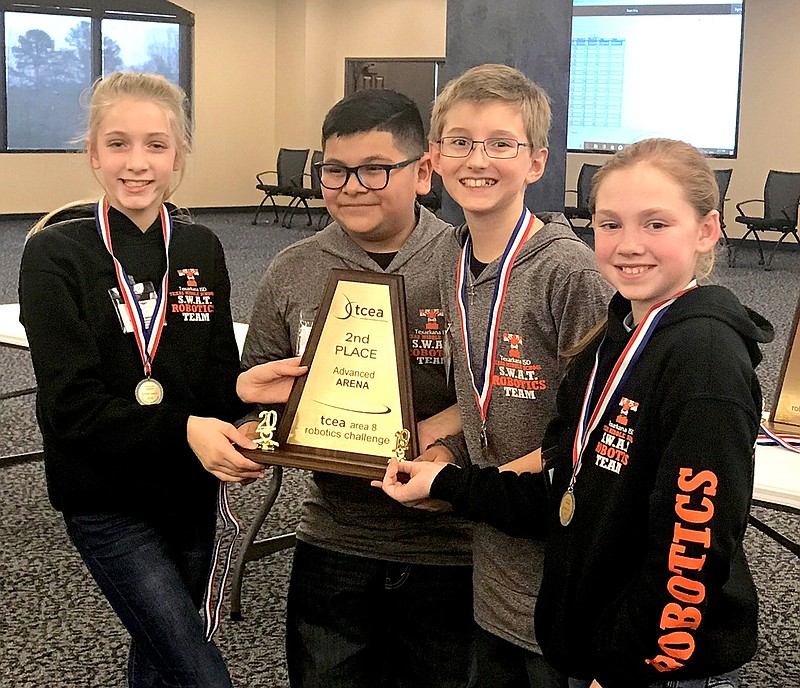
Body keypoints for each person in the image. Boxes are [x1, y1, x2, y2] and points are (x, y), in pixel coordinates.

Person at [376, 138, 773, 688]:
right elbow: (564, 489)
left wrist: (627, 668)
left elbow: (692, 549)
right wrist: (446, 483)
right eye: (610, 225)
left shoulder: (703, 362)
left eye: (656, 224)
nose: (629, 245)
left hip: (645, 661)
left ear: (707, 230)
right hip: (590, 642)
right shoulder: (613, 338)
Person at [18, 71, 305, 688]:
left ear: (178, 155)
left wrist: (243, 397)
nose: (137, 163)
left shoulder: (201, 246)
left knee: (158, 660)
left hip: (189, 493)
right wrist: (190, 429)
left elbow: (210, 377)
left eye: (156, 145)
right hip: (106, 499)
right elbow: (71, 407)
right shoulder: (54, 255)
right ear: (93, 153)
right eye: (117, 144)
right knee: (199, 672)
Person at [239, 89, 474, 687]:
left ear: (423, 172)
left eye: (374, 169)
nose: (350, 187)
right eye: (335, 171)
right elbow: (256, 382)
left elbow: (513, 400)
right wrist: (253, 428)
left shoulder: (469, 265)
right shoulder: (294, 268)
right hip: (335, 540)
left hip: (452, 547)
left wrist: (444, 451)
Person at [416, 64, 612, 687]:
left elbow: (595, 429)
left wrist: (464, 483)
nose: (479, 159)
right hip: (495, 563)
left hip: (564, 568)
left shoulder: (570, 274)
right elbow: (484, 394)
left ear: (536, 162)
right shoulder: (451, 256)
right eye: (461, 142)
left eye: (502, 143)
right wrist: (422, 438)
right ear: (436, 157)